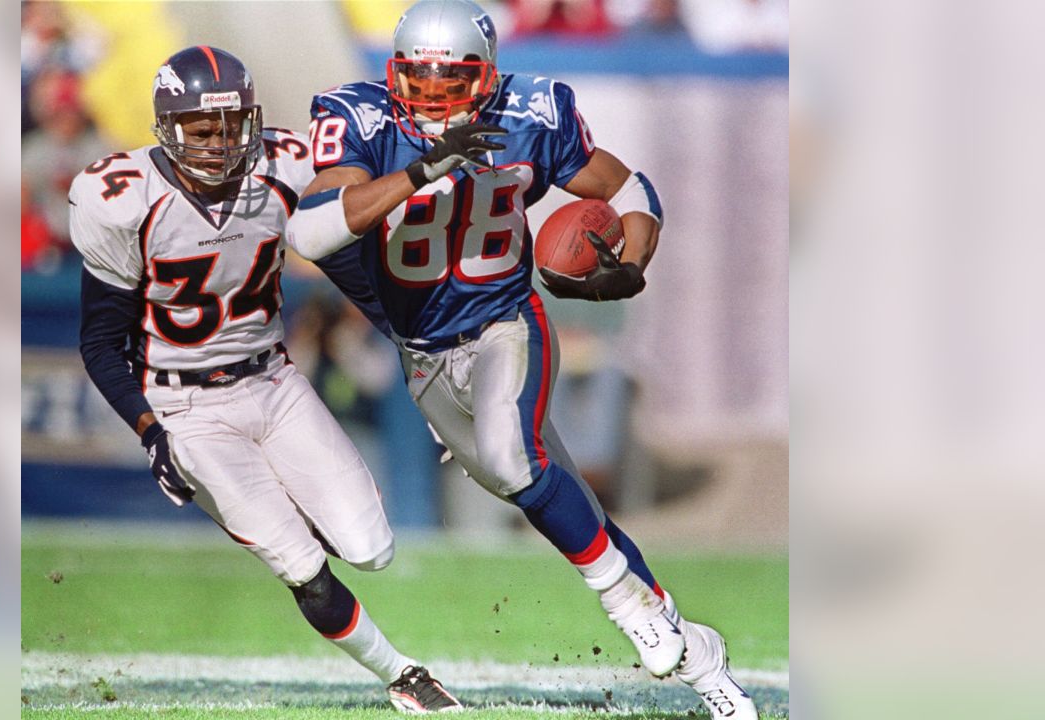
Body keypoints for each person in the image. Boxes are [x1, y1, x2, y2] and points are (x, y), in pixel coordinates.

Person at [285, 2, 756, 718]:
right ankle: (696, 650)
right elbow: (310, 233)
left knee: (513, 458)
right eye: (420, 81)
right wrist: (421, 171)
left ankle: (632, 611)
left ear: (488, 76)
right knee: (555, 494)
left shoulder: (531, 111)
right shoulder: (362, 119)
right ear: (393, 75)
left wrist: (632, 257)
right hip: (424, 353)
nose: (434, 98)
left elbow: (628, 190)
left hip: (506, 323)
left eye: (452, 82)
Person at [68, 46, 460, 714]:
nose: (220, 145)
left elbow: (345, 266)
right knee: (301, 567)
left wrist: (414, 347)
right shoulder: (121, 198)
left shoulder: (281, 170)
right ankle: (402, 673)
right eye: (201, 130)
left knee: (372, 549)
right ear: (169, 127)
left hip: (274, 384)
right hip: (184, 404)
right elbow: (101, 342)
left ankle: (296, 507)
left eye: (231, 127)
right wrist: (151, 433)